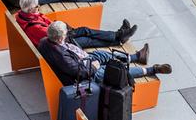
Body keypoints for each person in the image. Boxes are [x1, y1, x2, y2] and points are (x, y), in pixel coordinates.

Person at [40, 21, 171, 86]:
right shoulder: (60, 55)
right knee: (114, 70)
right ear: (60, 38)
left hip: (84, 60)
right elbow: (78, 72)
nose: (67, 34)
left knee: (103, 55)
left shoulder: (48, 41)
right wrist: (94, 67)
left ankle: (134, 57)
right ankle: (151, 70)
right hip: (87, 74)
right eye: (65, 34)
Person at [16, 0, 136, 48]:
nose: (39, 7)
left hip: (58, 36)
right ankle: (119, 38)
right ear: (30, 9)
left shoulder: (26, 16)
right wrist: (63, 27)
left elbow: (47, 22)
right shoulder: (34, 26)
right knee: (88, 39)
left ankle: (119, 35)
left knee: (86, 31)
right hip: (60, 42)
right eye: (37, 6)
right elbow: (54, 36)